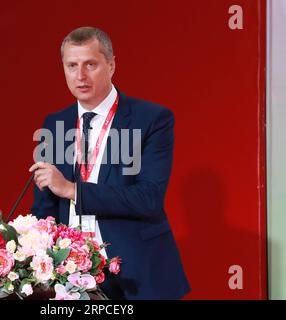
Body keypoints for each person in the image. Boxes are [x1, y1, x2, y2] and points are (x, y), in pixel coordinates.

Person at [29, 26, 190, 299]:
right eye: (72, 65)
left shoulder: (151, 119)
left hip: (136, 276)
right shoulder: (54, 124)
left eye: (90, 64)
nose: (80, 76)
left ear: (111, 66)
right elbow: (45, 207)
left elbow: (147, 198)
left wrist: (73, 190)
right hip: (70, 280)